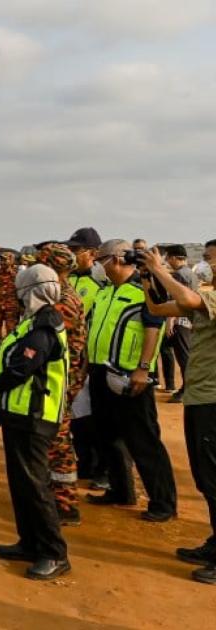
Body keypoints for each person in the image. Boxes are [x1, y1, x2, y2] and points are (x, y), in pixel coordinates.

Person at [0, 263, 71, 580]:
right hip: (20, 415)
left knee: (35, 485)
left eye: (21, 290)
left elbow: (21, 368)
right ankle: (29, 542)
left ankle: (54, 552)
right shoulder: (32, 322)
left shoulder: (44, 327)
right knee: (21, 483)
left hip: (36, 417)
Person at [85, 240, 177, 522]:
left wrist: (143, 368)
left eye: (99, 260)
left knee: (143, 440)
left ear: (114, 260)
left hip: (129, 375)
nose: (96, 266)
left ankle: (163, 502)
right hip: (101, 372)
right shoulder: (105, 292)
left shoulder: (142, 290)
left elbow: (154, 328)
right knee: (107, 435)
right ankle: (121, 489)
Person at [145, 239, 216, 583]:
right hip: (201, 397)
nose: (208, 266)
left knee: (214, 478)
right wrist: (148, 280)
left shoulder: (210, 296)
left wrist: (159, 268)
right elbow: (160, 311)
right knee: (205, 477)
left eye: (212, 259)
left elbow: (187, 299)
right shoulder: (208, 297)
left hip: (213, 400)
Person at [38, 243, 87, 526]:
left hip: (61, 383)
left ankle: (65, 504)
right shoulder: (54, 296)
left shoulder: (63, 301)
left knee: (58, 443)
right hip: (57, 381)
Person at [62, 227, 109, 491]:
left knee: (96, 416)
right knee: (76, 415)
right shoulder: (67, 280)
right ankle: (86, 461)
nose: (72, 254)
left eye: (77, 250)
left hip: (91, 360)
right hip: (69, 360)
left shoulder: (100, 284)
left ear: (93, 253)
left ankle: (103, 468)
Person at [161, 244, 198, 403]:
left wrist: (170, 320)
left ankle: (187, 389)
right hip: (188, 320)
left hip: (179, 320)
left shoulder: (178, 276)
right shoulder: (192, 273)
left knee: (183, 357)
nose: (168, 261)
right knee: (184, 354)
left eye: (169, 257)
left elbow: (177, 300)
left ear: (175, 258)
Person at [0, 252, 19, 355]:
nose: (3, 262)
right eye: (2, 260)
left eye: (5, 260)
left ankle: (9, 347)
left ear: (11, 261)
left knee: (11, 328)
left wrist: (21, 306)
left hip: (11, 306)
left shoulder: (16, 274)